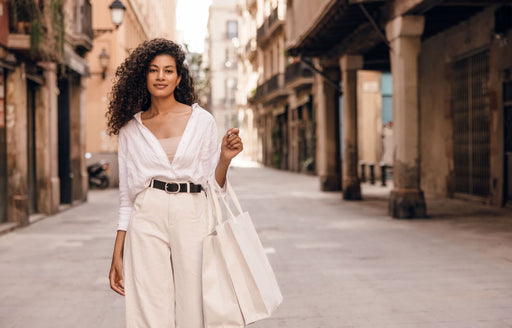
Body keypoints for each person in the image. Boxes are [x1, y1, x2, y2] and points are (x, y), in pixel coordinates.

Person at [107, 38, 243, 328]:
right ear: (143, 75)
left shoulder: (201, 120)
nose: (160, 77)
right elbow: (126, 196)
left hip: (192, 210)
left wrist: (225, 159)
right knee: (148, 304)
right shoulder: (131, 128)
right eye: (154, 70)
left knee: (194, 301)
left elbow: (213, 186)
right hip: (147, 213)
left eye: (168, 71)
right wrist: (118, 250)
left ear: (179, 77)